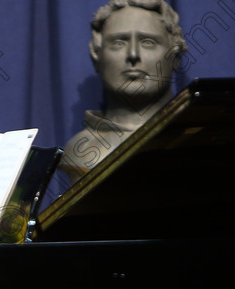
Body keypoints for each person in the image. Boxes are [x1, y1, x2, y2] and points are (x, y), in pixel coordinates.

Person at [59, 0, 188, 185]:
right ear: (96, 55)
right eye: (119, 42)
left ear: (175, 56)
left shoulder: (197, 140)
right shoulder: (80, 152)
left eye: (148, 42)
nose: (133, 54)